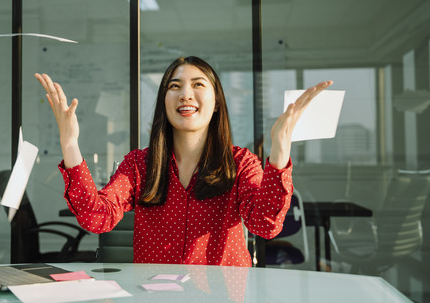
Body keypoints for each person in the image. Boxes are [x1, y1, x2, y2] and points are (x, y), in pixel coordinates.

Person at [35, 56, 332, 267]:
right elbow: (96, 217)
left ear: (216, 104)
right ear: (165, 101)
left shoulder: (241, 163)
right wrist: (70, 144)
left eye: (198, 85)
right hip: (153, 295)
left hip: (222, 295)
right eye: (174, 86)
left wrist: (279, 150)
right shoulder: (139, 164)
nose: (185, 94)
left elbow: (265, 225)